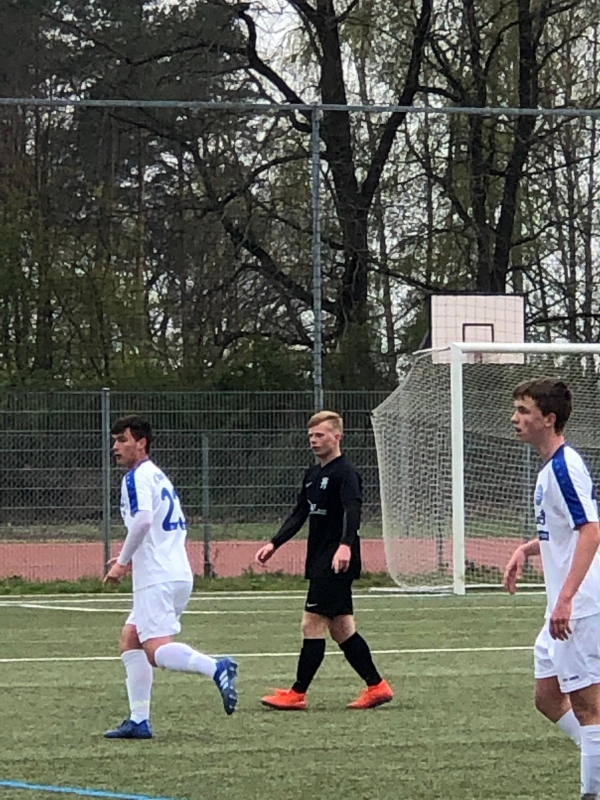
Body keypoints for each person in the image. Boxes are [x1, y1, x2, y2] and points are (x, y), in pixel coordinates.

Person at [103, 414, 238, 739]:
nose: (115, 447)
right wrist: (132, 558)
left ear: (141, 442)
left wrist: (122, 562)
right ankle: (139, 720)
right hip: (175, 572)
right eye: (114, 441)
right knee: (131, 638)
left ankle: (215, 667)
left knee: (154, 649)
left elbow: (143, 520)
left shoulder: (136, 477)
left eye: (122, 440)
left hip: (157, 577)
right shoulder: (157, 475)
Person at [255, 410, 393, 710]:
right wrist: (274, 543)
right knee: (342, 628)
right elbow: (299, 513)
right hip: (319, 558)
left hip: (336, 561)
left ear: (337, 436)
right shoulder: (312, 474)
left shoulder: (346, 473)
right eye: (311, 436)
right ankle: (377, 686)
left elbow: (353, 512)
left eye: (320, 435)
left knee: (312, 623)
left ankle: (297, 693)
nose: (314, 441)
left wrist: (345, 546)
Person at [503, 379, 600, 800]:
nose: (515, 418)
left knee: (589, 708)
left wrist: (566, 599)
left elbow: (591, 530)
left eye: (524, 410)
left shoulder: (564, 467)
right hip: (562, 607)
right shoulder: (550, 469)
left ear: (549, 419)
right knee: (547, 697)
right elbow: (566, 529)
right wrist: (528, 548)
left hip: (579, 607)